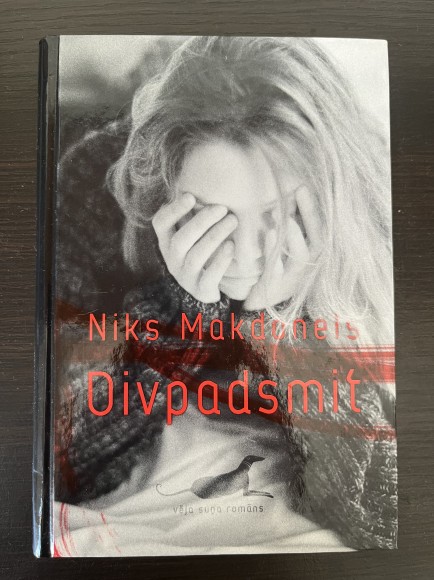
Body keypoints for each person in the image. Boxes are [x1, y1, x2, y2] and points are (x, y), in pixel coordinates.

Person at [54, 36, 397, 555]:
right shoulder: (91, 190)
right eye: (211, 216)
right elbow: (71, 467)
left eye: (278, 215)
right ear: (166, 191)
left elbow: (377, 524)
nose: (244, 255)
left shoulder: (371, 207)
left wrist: (282, 323)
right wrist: (182, 310)